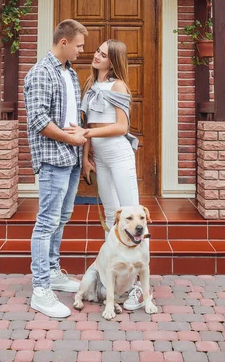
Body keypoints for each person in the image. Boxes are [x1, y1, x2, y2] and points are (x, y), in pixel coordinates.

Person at [68, 39, 145, 311]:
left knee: (133, 215)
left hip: (119, 154)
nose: (96, 56)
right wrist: (87, 157)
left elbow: (121, 127)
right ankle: (113, 278)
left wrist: (87, 134)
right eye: (97, 51)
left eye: (103, 54)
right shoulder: (90, 86)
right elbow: (88, 123)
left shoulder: (118, 86)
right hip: (99, 156)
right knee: (113, 216)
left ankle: (138, 286)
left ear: (113, 60)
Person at [24, 19, 88, 318]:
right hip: (53, 156)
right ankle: (40, 289)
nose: (82, 50)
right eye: (79, 45)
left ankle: (51, 271)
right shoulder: (41, 72)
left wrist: (80, 144)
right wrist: (70, 137)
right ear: (64, 43)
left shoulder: (70, 73)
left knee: (61, 218)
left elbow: (71, 115)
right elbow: (38, 120)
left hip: (72, 156)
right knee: (47, 221)